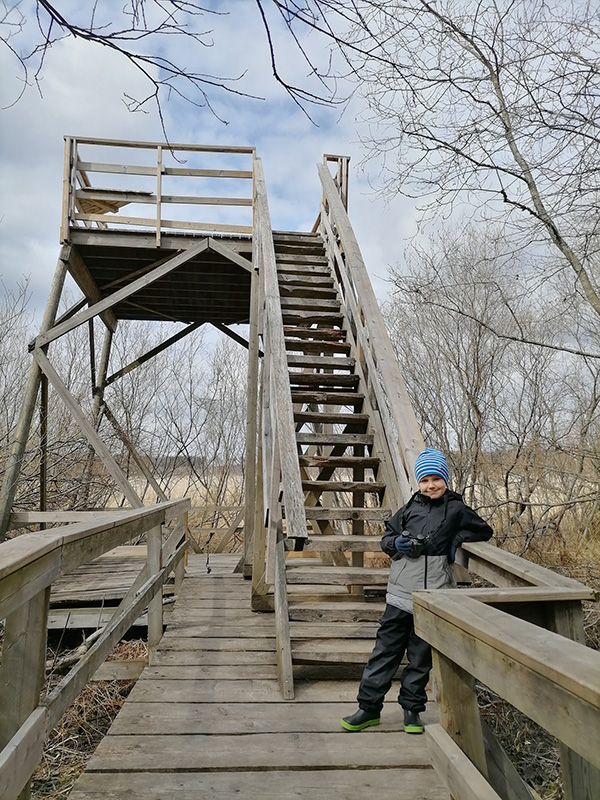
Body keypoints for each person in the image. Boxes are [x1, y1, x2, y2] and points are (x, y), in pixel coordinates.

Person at [341, 447, 493, 734]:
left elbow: (485, 530)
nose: (430, 485)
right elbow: (386, 538)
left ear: (445, 480)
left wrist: (457, 539)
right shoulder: (409, 508)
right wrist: (396, 544)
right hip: (400, 594)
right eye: (424, 480)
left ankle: (412, 710)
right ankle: (368, 708)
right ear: (418, 483)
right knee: (384, 652)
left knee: (420, 657)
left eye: (436, 479)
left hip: (434, 596)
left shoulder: (457, 509)